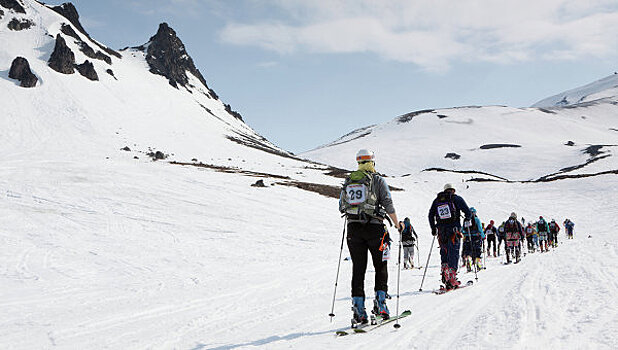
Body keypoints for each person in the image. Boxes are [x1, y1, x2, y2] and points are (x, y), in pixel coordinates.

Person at [339, 149, 399, 324]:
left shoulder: (349, 181)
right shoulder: (378, 180)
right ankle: (381, 305)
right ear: (373, 162)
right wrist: (397, 224)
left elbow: (341, 205)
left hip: (353, 229)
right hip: (375, 229)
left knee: (358, 269)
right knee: (380, 266)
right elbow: (388, 203)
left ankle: (359, 310)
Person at [428, 183, 472, 290]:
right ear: (453, 190)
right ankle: (452, 278)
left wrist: (433, 228)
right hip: (454, 230)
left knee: (444, 251)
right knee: (453, 252)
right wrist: (467, 218)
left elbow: (430, 214)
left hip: (441, 232)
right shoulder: (456, 199)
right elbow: (468, 212)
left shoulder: (437, 200)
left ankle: (445, 275)